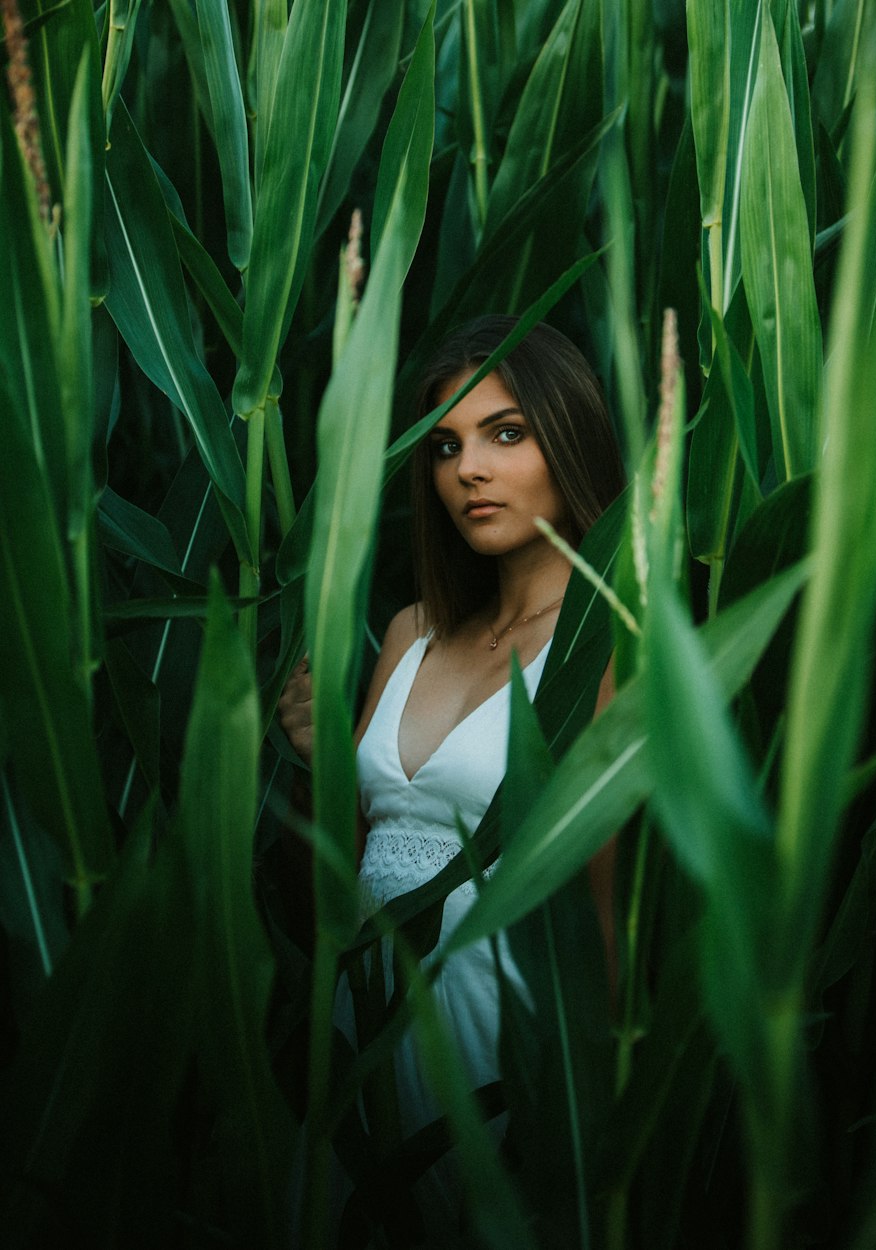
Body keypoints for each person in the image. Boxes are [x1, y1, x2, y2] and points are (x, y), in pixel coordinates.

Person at [278, 314, 625, 1236]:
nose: (467, 467)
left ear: (572, 437)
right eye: (445, 444)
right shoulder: (411, 631)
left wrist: (587, 1122)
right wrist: (323, 763)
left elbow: (603, 918)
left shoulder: (606, 647)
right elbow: (344, 870)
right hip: (363, 1024)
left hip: (500, 1039)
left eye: (505, 433)